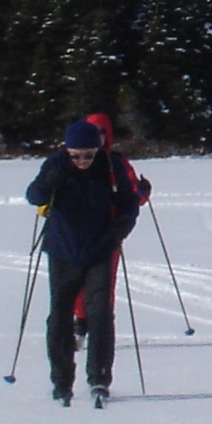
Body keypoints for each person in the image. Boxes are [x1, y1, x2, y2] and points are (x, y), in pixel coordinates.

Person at [26, 116, 138, 405]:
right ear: (67, 150)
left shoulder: (111, 165)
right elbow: (34, 195)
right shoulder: (56, 165)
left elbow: (129, 202)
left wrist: (118, 231)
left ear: (97, 149)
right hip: (63, 252)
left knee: (100, 313)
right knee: (59, 317)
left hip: (100, 250)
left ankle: (99, 378)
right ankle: (62, 381)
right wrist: (51, 180)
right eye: (76, 155)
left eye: (88, 154)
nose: (82, 160)